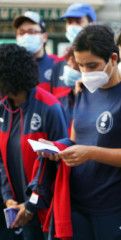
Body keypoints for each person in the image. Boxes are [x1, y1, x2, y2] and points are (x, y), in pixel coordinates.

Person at [39, 25, 121, 239]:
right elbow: (74, 139)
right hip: (79, 204)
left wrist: (90, 153)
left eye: (92, 65)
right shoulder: (83, 91)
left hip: (117, 207)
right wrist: (56, 148)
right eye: (81, 66)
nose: (86, 73)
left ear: (113, 59)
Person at [0, 44, 68, 240]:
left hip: (44, 213)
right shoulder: (3, 109)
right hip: (15, 210)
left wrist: (32, 204)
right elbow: (1, 161)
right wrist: (8, 198)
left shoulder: (50, 108)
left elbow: (56, 165)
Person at [50, 2, 97, 128]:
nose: (72, 26)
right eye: (69, 22)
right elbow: (54, 103)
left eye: (78, 22)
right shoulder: (58, 64)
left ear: (92, 25)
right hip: (62, 132)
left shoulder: (102, 62)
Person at [13, 11, 57, 93]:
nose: (26, 36)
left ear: (44, 37)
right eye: (21, 32)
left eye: (31, 32)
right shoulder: (10, 66)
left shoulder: (57, 64)